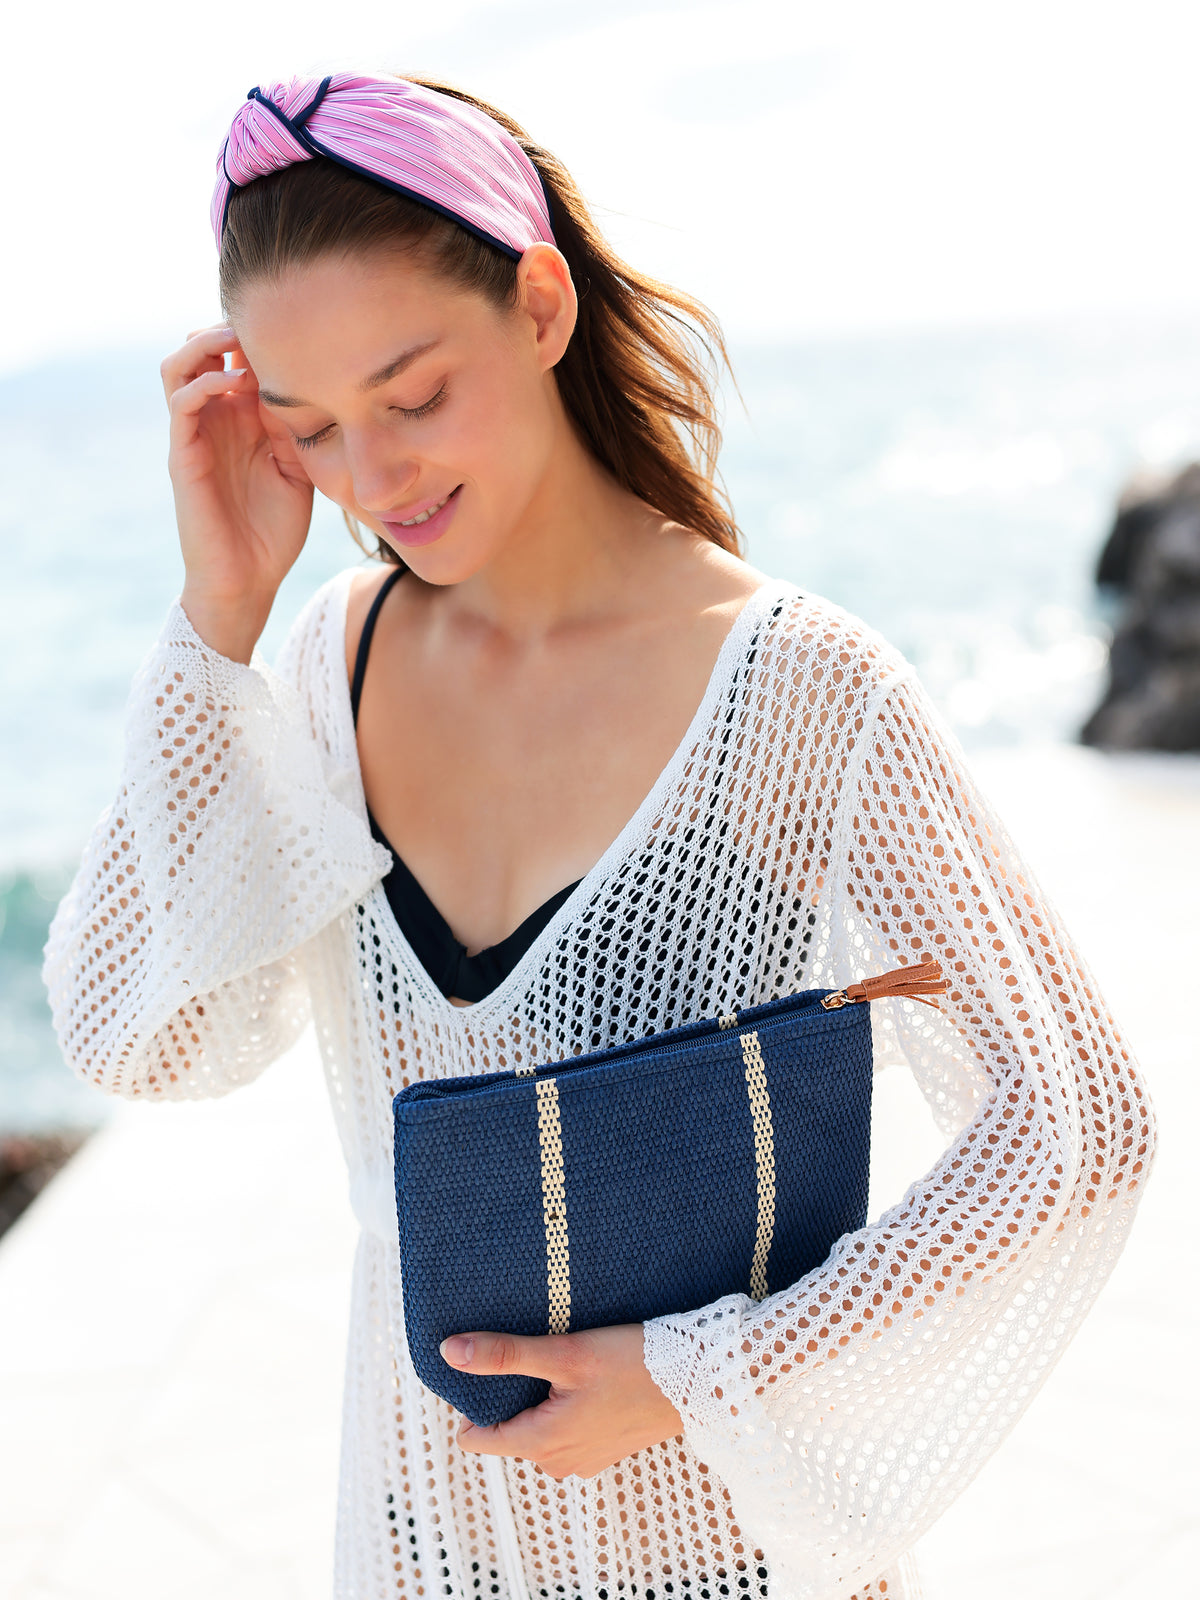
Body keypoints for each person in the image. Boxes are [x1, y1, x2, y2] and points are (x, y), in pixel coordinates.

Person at [43, 71, 1156, 1600]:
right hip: (421, 1557)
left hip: (739, 1566)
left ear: (541, 305)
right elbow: (138, 1035)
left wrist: (703, 1373)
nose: (374, 480)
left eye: (412, 396)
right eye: (311, 430)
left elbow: (1077, 1122)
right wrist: (216, 619)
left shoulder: (799, 689)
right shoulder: (325, 666)